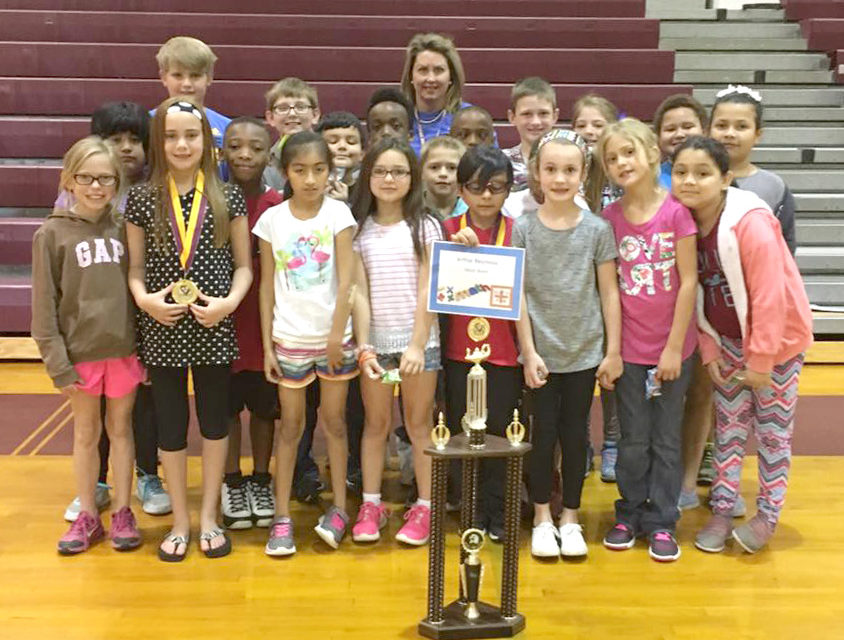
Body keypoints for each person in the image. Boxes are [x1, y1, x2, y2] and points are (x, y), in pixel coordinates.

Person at [670, 136, 812, 554]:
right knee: (729, 429)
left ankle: (767, 515)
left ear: (725, 178)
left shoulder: (749, 221)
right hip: (727, 341)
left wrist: (763, 360)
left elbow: (770, 296)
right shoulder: (684, 222)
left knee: (771, 433)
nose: (690, 181)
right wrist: (711, 349)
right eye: (681, 172)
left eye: (702, 173)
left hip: (778, 345)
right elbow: (694, 293)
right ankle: (722, 505)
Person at [125, 96, 252, 561]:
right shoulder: (140, 198)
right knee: (172, 425)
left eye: (191, 135)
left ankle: (211, 517)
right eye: (172, 136)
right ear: (159, 142)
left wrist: (230, 303)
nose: (182, 144)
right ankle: (180, 519)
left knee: (216, 423)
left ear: (207, 141)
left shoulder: (227, 194)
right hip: (163, 326)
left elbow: (243, 267)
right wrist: (144, 300)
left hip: (213, 323)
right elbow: (135, 270)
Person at [33, 136, 145, 554]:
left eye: (106, 179)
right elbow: (44, 307)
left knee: (121, 430)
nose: (96, 187)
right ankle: (86, 516)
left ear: (117, 182)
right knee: (85, 433)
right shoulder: (51, 234)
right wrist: (57, 363)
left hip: (124, 351)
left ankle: (121, 511)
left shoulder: (125, 228)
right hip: (80, 357)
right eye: (87, 178)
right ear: (69, 180)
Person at [514, 129, 622, 559]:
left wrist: (612, 351)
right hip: (540, 354)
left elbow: (609, 292)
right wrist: (528, 350)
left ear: (584, 173)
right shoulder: (523, 228)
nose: (560, 178)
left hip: (584, 353)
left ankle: (571, 517)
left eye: (570, 170)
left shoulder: (597, 229)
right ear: (537, 174)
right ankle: (542, 515)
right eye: (551, 169)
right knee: (541, 438)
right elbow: (516, 294)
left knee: (575, 436)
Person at [63, 102, 173, 520]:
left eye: (134, 140)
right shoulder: (72, 210)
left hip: (138, 327)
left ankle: (147, 473)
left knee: (141, 409)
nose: (127, 148)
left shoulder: (149, 196)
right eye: (116, 139)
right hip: (93, 336)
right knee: (96, 418)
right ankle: (98, 482)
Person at [597, 119, 698, 563]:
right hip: (630, 353)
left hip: (674, 350)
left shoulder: (676, 212)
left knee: (666, 439)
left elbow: (690, 282)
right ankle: (628, 513)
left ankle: (662, 520)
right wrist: (614, 351)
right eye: (612, 158)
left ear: (652, 154)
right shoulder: (608, 220)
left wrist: (674, 348)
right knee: (632, 439)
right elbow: (610, 292)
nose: (622, 163)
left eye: (629, 153)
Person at [254, 131, 358, 556]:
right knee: (291, 428)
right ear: (285, 173)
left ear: (330, 171)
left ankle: (338, 508)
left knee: (334, 424)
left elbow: (348, 280)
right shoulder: (272, 221)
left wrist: (337, 333)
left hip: (335, 340)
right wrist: (266, 347)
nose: (311, 179)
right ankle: (281, 516)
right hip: (289, 339)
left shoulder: (339, 215)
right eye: (300, 170)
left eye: (319, 170)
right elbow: (266, 288)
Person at [350, 137, 442, 546]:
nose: (389, 179)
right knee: (376, 424)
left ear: (413, 177)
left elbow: (429, 290)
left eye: (399, 171)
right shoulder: (357, 228)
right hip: (376, 348)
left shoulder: (425, 225)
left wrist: (418, 344)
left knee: (419, 424)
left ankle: (424, 506)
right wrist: (365, 345)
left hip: (419, 346)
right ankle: (371, 504)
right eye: (381, 171)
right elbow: (360, 293)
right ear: (367, 176)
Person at [441, 145, 520, 541]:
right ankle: (470, 510)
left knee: (501, 434)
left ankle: (500, 511)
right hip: (457, 351)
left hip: (504, 352)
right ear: (461, 189)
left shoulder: (517, 230)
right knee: (463, 432)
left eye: (496, 187)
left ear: (508, 189)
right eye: (476, 187)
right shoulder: (446, 229)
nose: (486, 196)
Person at [218, 117, 283, 530]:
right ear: (223, 151)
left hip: (266, 324)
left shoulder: (278, 204)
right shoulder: (214, 200)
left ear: (268, 154)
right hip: (221, 322)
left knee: (263, 409)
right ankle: (231, 481)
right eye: (236, 146)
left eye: (255, 148)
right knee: (224, 410)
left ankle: (261, 478)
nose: (245, 154)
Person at [571, 93, 623, 480]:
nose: (589, 131)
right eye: (581, 124)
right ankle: (582, 441)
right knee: (576, 374)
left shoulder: (621, 183)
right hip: (574, 294)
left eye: (597, 125)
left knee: (611, 373)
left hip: (615, 290)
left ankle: (613, 443)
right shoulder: (569, 179)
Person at [708, 85, 796, 255]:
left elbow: (785, 245)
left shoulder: (774, 187)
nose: (730, 134)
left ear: (757, 134)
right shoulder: (694, 180)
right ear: (708, 130)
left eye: (741, 127)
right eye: (721, 125)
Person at [156, 37, 230, 153]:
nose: (187, 84)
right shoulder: (148, 123)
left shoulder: (227, 129)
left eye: (195, 76)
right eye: (178, 75)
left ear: (209, 77)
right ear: (164, 77)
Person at [401, 33, 469, 155]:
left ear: (451, 77)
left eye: (439, 70)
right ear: (411, 76)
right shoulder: (398, 118)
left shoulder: (470, 119)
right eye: (423, 70)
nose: (431, 78)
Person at [263, 77, 321, 192]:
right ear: (270, 118)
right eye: (283, 108)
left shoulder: (330, 154)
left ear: (315, 115)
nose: (292, 113)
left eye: (301, 107)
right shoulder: (265, 162)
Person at [504, 76, 559, 192]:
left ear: (555, 116)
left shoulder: (570, 161)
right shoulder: (501, 162)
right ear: (512, 117)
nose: (535, 122)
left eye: (543, 113)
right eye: (527, 114)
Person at [652, 94, 707, 190]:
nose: (679, 134)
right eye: (670, 129)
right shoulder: (652, 178)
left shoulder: (717, 171)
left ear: (704, 131)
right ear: (658, 136)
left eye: (688, 127)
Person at [316, 111, 365, 203]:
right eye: (333, 141)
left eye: (351, 142)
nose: (342, 146)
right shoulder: (307, 186)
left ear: (362, 153)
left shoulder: (367, 190)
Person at [420, 136, 467, 220]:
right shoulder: (409, 211)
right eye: (434, 167)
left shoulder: (472, 212)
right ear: (421, 172)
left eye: (452, 168)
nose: (443, 174)